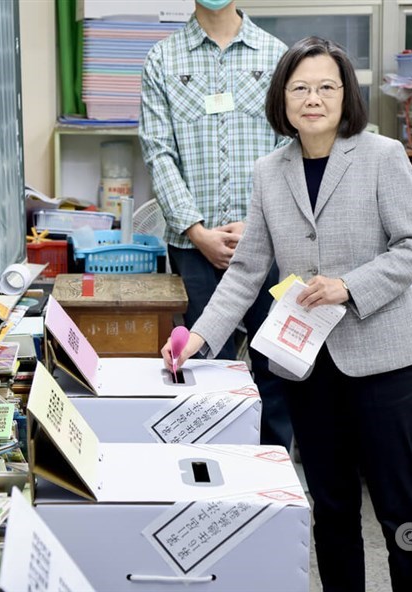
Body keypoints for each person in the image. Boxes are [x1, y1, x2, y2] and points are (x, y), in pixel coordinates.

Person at [161, 37, 412, 592]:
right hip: (308, 369)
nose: (313, 99)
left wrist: (349, 286)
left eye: (326, 87)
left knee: (402, 513)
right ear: (283, 99)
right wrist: (199, 338)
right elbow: (246, 270)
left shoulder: (382, 156)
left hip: (383, 363)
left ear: (345, 95)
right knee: (331, 511)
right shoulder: (270, 171)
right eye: (300, 89)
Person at [139, 0, 293, 451]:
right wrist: (196, 230)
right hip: (193, 248)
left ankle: (273, 479)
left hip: (267, 245)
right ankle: (219, 487)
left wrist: (258, 225)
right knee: (204, 369)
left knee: (274, 367)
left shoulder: (275, 55)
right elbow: (158, 152)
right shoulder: (162, 59)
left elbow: (290, 146)